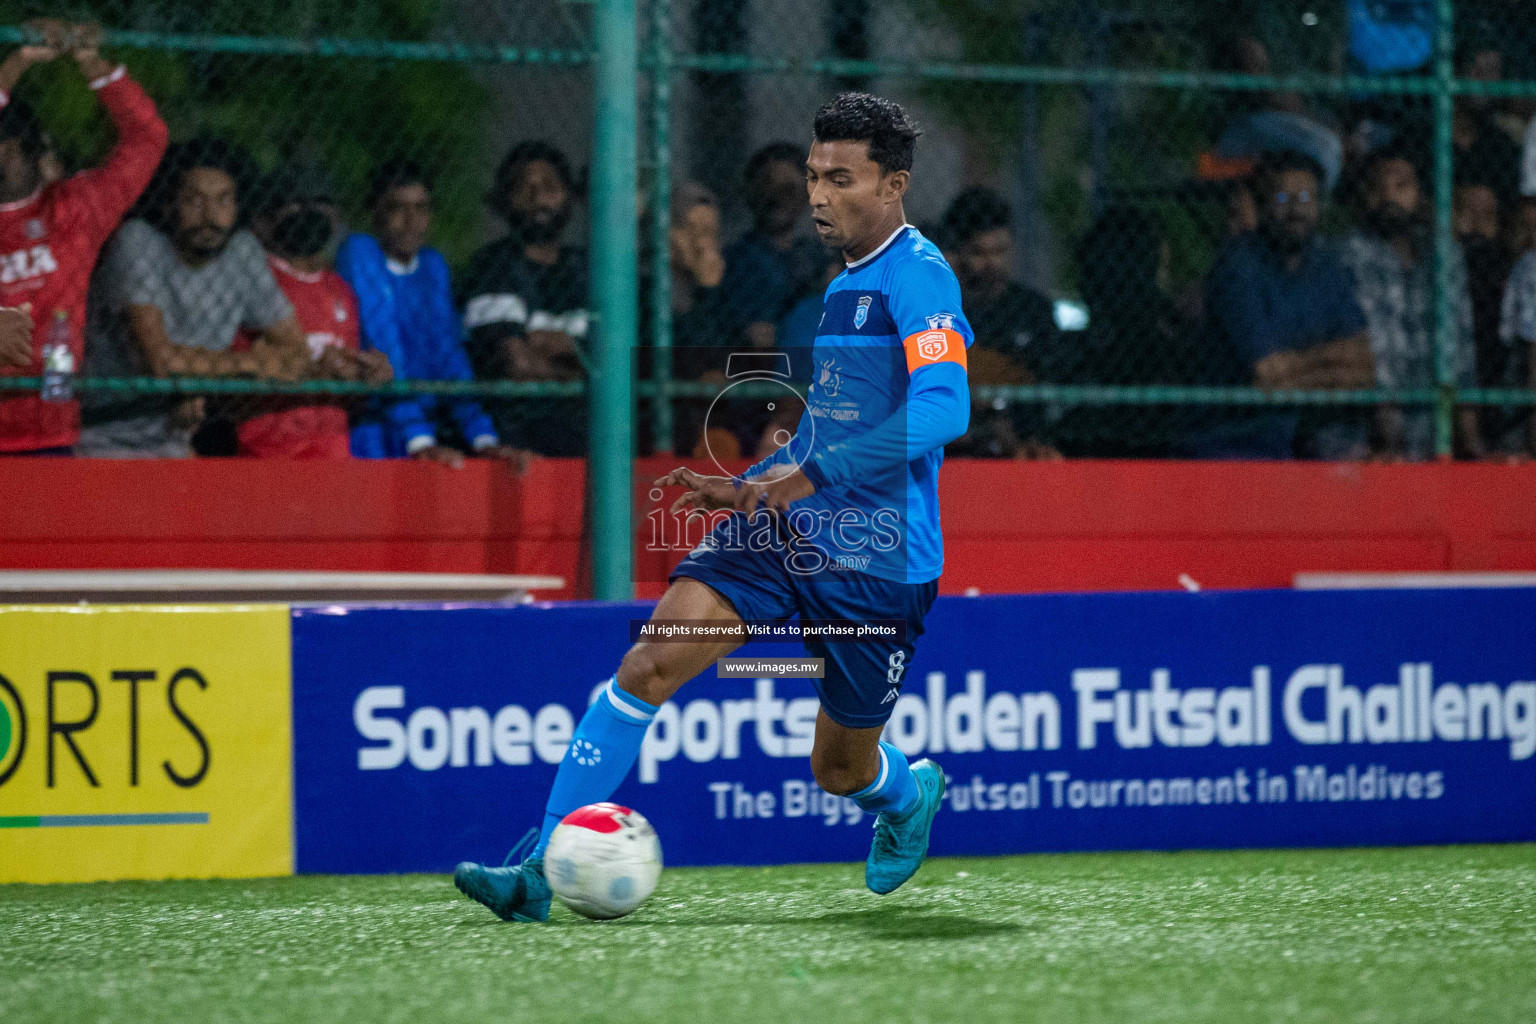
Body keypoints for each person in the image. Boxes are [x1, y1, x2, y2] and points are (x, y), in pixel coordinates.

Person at [454, 92, 964, 921]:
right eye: (812, 176)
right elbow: (837, 420)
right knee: (647, 665)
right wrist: (761, 482)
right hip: (785, 531)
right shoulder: (843, 286)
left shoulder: (919, 275)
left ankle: (905, 795)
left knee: (838, 769)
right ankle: (539, 873)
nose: (818, 196)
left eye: (842, 179)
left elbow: (945, 409)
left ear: (895, 183)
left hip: (880, 561)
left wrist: (811, 477)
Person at [80, 138, 314, 458]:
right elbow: (160, 362)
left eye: (223, 201)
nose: (210, 216)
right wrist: (253, 364)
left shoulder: (242, 250)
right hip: (105, 432)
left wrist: (195, 376)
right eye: (194, 200)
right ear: (168, 203)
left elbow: (296, 350)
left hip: (177, 435)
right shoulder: (138, 241)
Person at [0, 19, 167, 455]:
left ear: (34, 148)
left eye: (8, 141)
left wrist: (92, 63)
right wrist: (17, 62)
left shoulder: (75, 209)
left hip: (50, 422)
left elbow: (147, 139)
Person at [337, 161, 526, 467]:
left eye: (421, 208)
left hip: (424, 425)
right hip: (374, 424)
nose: (411, 221)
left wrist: (483, 438)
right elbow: (383, 345)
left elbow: (448, 353)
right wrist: (419, 441)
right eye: (397, 208)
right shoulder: (360, 252)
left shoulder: (432, 266)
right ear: (375, 212)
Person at [1199, 150, 1374, 459]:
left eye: (1307, 198)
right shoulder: (1239, 266)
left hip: (1296, 443)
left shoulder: (1326, 268)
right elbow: (1267, 375)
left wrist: (1294, 371)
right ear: (1264, 206)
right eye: (1283, 199)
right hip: (1230, 447)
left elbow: (1362, 367)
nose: (1296, 209)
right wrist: (1330, 365)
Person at [236, 163, 392, 458]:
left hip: (332, 454)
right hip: (269, 454)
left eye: (321, 204)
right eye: (295, 204)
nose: (310, 213)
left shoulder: (340, 290)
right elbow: (231, 391)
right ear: (265, 219)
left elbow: (349, 398)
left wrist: (367, 377)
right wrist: (312, 373)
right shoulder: (255, 281)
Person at [1339, 147, 1479, 460]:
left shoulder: (1445, 255)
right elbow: (1367, 355)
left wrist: (1472, 445)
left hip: (1431, 427)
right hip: (1368, 435)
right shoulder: (1350, 254)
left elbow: (1462, 351)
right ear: (1364, 197)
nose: (1389, 196)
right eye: (1378, 187)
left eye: (1401, 186)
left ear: (1419, 194)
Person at [460, 142, 589, 457]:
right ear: (505, 200)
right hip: (518, 442)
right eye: (524, 189)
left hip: (588, 441)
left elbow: (623, 361)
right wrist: (582, 366)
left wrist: (557, 351)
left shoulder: (588, 268)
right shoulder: (493, 266)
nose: (538, 199)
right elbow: (517, 363)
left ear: (569, 197)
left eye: (550, 187)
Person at [936, 185, 1059, 459]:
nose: (994, 263)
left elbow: (1050, 387)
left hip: (1021, 447)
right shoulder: (940, 311)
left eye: (1001, 251)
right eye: (979, 253)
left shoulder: (1034, 310)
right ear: (957, 253)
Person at [717, 141, 831, 349]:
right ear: (750, 192)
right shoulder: (736, 258)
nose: (777, 199)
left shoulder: (818, 256)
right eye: (767, 187)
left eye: (789, 189)